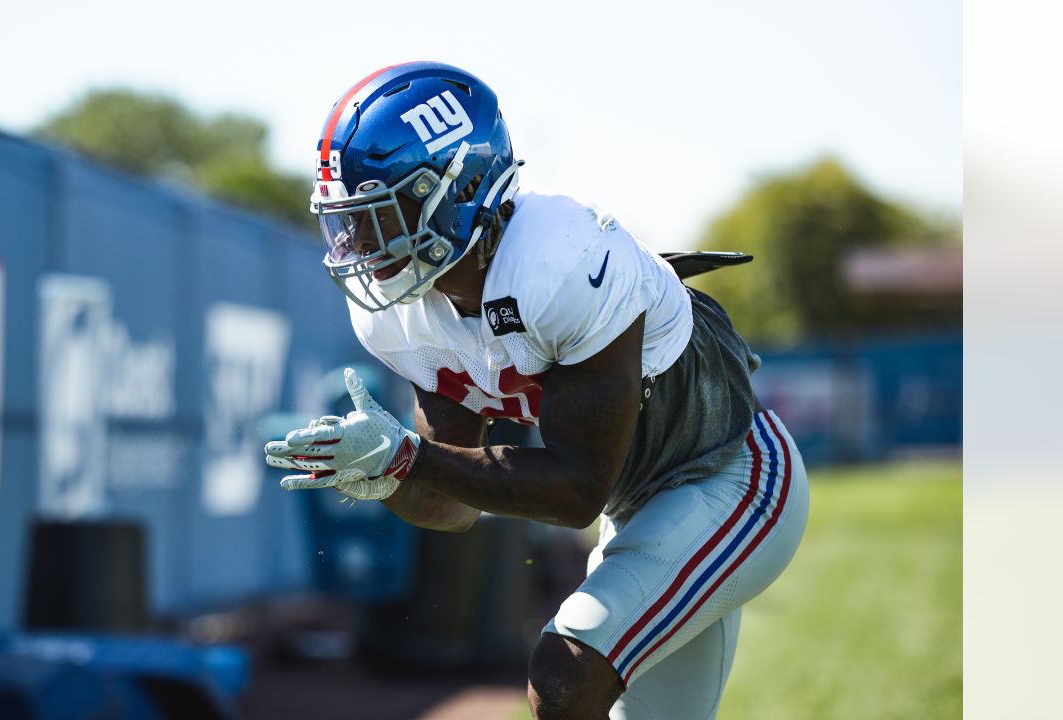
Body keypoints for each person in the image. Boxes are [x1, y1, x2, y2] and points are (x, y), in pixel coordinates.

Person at [263, 61, 809, 720]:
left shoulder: (561, 258)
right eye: (346, 220)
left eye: (379, 214)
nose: (357, 243)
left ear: (456, 189)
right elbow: (450, 502)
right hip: (643, 503)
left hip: (730, 477)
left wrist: (408, 458)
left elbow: (576, 492)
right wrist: (386, 477)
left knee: (565, 673)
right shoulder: (395, 312)